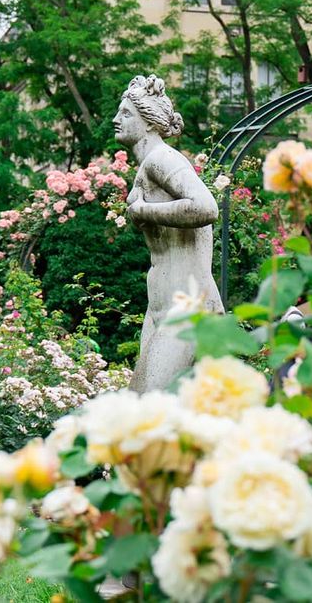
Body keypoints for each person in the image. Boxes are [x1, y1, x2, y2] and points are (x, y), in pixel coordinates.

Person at [112, 74, 224, 392]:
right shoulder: (146, 167)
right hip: (160, 307)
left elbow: (206, 207)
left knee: (149, 409)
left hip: (188, 305)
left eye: (126, 114)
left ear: (149, 123)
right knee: (147, 412)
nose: (115, 120)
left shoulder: (163, 159)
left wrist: (144, 211)